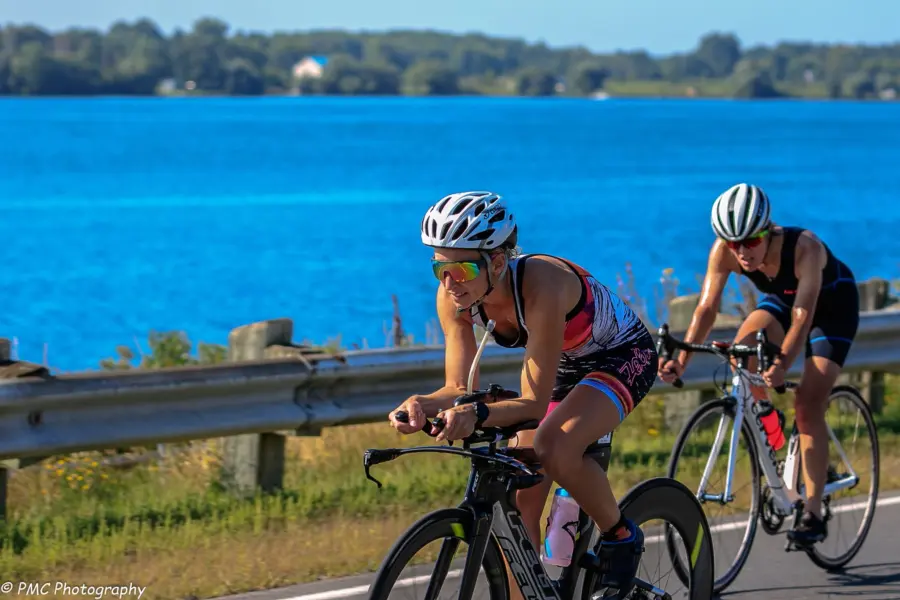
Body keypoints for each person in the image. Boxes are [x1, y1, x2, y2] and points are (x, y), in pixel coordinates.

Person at [388, 190, 659, 596]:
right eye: (439, 269)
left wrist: (477, 415)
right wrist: (421, 404)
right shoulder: (454, 299)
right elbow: (458, 388)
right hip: (565, 364)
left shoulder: (541, 285)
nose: (448, 283)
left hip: (620, 356)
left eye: (460, 269)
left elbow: (532, 404)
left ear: (497, 261)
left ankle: (621, 535)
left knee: (553, 445)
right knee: (520, 500)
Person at [658, 182, 859, 546]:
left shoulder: (805, 248)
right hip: (783, 301)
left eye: (750, 242)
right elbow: (706, 307)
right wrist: (682, 361)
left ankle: (812, 512)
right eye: (734, 244)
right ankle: (769, 419)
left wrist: (782, 363)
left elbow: (803, 315)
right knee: (741, 349)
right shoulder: (727, 249)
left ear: (769, 230)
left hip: (831, 311)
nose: (742, 252)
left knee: (808, 404)